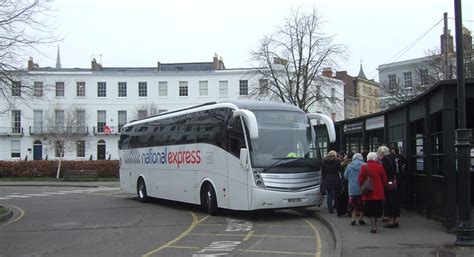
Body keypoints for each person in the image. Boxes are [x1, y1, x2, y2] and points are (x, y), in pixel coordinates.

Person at [358, 152, 387, 233]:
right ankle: (376, 224)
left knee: (370, 210)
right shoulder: (380, 166)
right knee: (377, 210)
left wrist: (362, 186)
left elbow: (360, 179)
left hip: (369, 192)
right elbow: (384, 179)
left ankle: (373, 226)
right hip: (379, 191)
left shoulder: (364, 167)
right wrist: (384, 186)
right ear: (375, 158)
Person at [377, 146, 400, 228]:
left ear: (383, 153)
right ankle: (395, 220)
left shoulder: (385, 159)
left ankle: (390, 221)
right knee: (396, 201)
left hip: (389, 183)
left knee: (389, 201)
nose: (379, 155)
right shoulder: (397, 157)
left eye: (379, 153)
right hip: (398, 182)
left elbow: (385, 172)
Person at [344, 153, 366, 225]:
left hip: (352, 188)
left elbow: (345, 176)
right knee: (361, 204)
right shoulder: (364, 165)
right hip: (362, 188)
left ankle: (353, 219)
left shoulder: (349, 166)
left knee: (353, 205)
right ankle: (361, 219)